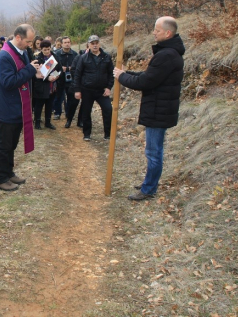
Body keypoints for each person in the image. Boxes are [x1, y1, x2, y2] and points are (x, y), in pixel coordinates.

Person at [114, 16, 185, 201]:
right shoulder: (169, 53)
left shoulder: (166, 55)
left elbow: (145, 82)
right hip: (160, 108)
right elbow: (149, 76)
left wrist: (122, 77)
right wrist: (126, 73)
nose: (154, 32)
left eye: (157, 30)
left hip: (158, 111)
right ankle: (150, 183)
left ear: (168, 33)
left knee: (153, 152)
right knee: (155, 151)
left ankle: (148, 189)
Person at [0, 24, 40, 191]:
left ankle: (8, 172)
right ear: (18, 37)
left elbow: (25, 74)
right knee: (4, 145)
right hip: (9, 108)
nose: (30, 45)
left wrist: (35, 72)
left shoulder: (23, 51)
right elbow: (8, 82)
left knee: (12, 144)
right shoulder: (5, 56)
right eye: (28, 41)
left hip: (20, 107)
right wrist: (29, 70)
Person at [74, 35, 114, 141]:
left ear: (99, 44)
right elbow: (77, 74)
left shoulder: (106, 57)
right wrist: (77, 90)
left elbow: (111, 73)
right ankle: (87, 134)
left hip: (102, 90)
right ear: (89, 45)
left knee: (108, 110)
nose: (95, 45)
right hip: (87, 90)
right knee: (86, 112)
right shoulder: (83, 58)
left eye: (96, 43)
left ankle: (108, 134)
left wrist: (109, 87)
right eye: (92, 43)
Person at [33, 39, 61, 130]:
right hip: (41, 86)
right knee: (39, 105)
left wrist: (55, 76)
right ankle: (37, 122)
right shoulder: (37, 58)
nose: (47, 51)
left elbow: (59, 69)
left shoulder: (54, 57)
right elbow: (36, 72)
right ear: (41, 49)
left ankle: (48, 122)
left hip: (52, 85)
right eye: (45, 49)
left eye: (48, 49)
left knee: (50, 104)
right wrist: (47, 77)